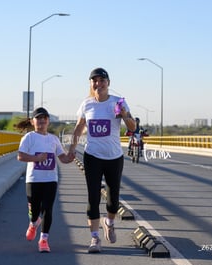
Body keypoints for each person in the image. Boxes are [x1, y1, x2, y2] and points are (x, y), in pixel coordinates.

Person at [68, 68, 136, 253]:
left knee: (113, 200)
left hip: (114, 157)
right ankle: (95, 238)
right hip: (92, 156)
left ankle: (110, 222)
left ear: (108, 83)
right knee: (93, 197)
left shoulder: (118, 102)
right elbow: (78, 128)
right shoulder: (87, 104)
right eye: (94, 81)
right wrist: (72, 149)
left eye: (101, 80)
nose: (98, 84)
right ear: (91, 84)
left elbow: (132, 127)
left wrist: (124, 114)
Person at [17, 107, 74, 253]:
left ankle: (44, 240)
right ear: (32, 121)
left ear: (48, 121)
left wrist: (70, 158)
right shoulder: (29, 137)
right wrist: (36, 158)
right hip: (33, 179)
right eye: (38, 118)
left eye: (44, 118)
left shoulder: (54, 139)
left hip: (51, 179)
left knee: (48, 209)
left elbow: (62, 157)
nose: (42, 120)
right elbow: (20, 156)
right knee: (35, 211)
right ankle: (33, 223)